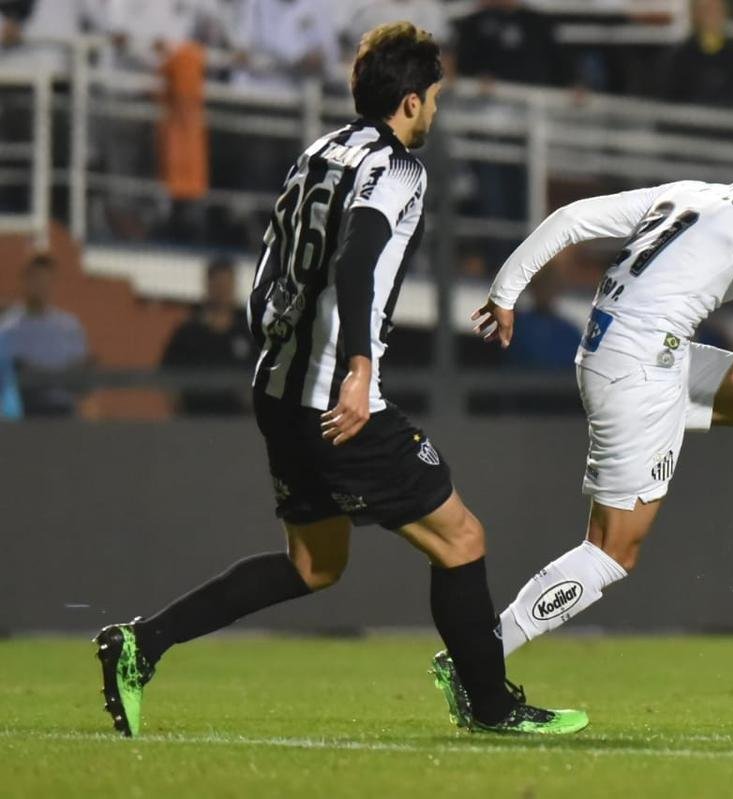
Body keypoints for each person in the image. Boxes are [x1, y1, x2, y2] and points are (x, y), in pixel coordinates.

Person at [93, 21, 586, 740]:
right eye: (435, 98)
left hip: (280, 389)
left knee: (314, 563)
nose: (436, 110)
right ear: (411, 102)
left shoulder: (314, 154)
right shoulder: (398, 171)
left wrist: (277, 353)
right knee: (462, 539)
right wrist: (358, 368)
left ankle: (142, 642)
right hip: (338, 397)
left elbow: (272, 268)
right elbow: (357, 261)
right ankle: (491, 705)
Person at [460, 148, 733, 699]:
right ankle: (477, 658)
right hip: (640, 370)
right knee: (611, 550)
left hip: (632, 351)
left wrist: (506, 291)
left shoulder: (696, 193)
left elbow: (569, 218)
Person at [160, 257, 256, 415]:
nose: (222, 291)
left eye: (227, 284)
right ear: (208, 285)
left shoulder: (247, 333)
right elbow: (167, 374)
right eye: (218, 284)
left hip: (237, 425)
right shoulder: (188, 333)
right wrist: (179, 411)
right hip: (195, 422)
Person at [0, 253, 88, 417]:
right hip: (23, 417)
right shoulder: (7, 330)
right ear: (25, 281)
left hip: (62, 414)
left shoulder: (69, 328)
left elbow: (81, 381)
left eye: (46, 281)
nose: (40, 287)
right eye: (36, 280)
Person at [658, 0, 733, 107]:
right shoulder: (680, 57)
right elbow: (671, 101)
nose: (713, 15)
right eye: (707, 10)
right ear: (695, 14)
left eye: (717, 10)